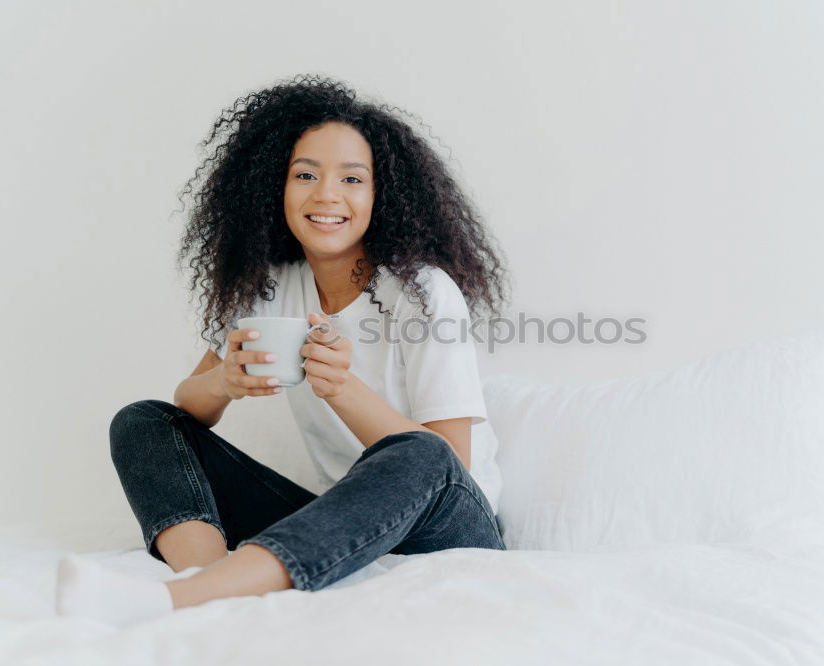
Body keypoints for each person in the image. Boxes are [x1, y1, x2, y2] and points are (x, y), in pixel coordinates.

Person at [55, 74, 511, 627]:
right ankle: (208, 578)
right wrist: (225, 380)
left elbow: (450, 463)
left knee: (421, 451)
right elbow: (188, 402)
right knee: (144, 421)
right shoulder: (270, 287)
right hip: (339, 518)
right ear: (277, 186)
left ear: (381, 194)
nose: (327, 195)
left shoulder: (422, 291)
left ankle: (192, 598)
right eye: (305, 175)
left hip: (449, 524)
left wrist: (342, 388)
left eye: (352, 179)